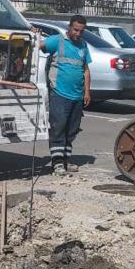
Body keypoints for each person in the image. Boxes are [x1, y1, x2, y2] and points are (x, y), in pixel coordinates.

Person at [38, 15, 93, 173]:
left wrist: (87, 92)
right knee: (58, 127)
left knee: (72, 129)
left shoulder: (83, 46)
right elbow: (38, 46)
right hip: (59, 94)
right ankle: (57, 162)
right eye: (76, 30)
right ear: (69, 27)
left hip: (77, 95)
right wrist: (34, 35)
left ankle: (66, 160)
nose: (78, 34)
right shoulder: (57, 41)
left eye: (81, 31)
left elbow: (86, 71)